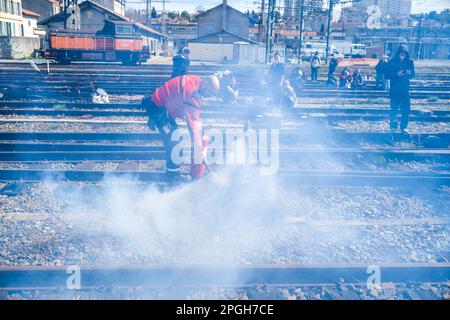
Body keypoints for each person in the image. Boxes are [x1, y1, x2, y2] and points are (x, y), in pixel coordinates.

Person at [142, 75, 221, 180]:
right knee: (174, 140)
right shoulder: (192, 93)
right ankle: (172, 176)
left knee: (175, 135)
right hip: (158, 109)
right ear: (205, 83)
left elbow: (192, 116)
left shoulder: (194, 81)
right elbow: (193, 125)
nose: (209, 95)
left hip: (161, 105)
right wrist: (199, 151)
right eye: (210, 92)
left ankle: (155, 120)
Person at [385, 44, 415, 133]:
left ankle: (404, 127)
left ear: (407, 53)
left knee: (406, 109)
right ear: (398, 52)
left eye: (404, 53)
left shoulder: (410, 62)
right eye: (401, 52)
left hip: (405, 89)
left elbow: (413, 75)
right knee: (394, 109)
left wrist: (410, 73)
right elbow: (387, 75)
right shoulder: (392, 61)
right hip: (394, 89)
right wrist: (396, 75)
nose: (402, 54)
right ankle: (393, 127)